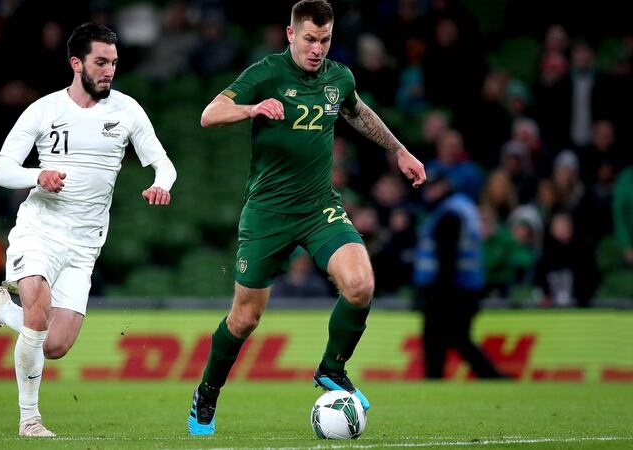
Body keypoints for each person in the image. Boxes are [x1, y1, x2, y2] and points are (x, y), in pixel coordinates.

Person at [188, 0, 425, 436]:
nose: (318, 48)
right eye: (311, 39)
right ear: (291, 34)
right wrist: (252, 109)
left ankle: (332, 369)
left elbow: (358, 112)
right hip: (267, 213)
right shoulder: (267, 73)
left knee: (360, 284)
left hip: (319, 207)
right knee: (245, 319)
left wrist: (400, 150)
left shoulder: (339, 77)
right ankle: (207, 391)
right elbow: (209, 114)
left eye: (326, 39)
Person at [0, 22, 176, 438]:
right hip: (39, 230)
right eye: (100, 62)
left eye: (114, 63)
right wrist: (38, 175)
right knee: (38, 311)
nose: (109, 71)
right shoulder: (44, 110)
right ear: (76, 63)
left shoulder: (128, 110)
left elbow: (163, 163)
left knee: (55, 345)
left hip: (85, 244)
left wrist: (161, 184)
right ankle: (30, 420)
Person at [413, 170, 505, 379]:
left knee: (435, 338)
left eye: (433, 187)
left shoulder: (449, 213)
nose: (428, 192)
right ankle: (491, 377)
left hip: (448, 288)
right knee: (457, 337)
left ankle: (436, 380)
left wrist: (435, 292)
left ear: (445, 187)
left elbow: (447, 257)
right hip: (466, 286)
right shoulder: (463, 207)